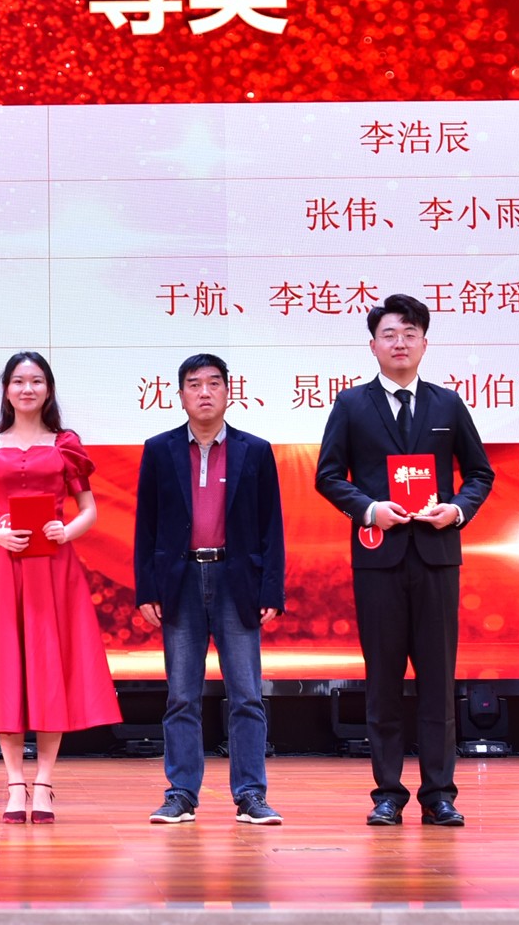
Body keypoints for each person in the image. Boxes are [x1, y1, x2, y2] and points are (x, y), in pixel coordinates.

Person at [314, 293, 494, 827]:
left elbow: (479, 473)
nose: (400, 343)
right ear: (372, 345)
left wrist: (456, 510)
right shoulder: (351, 405)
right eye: (389, 334)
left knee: (438, 682)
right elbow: (328, 476)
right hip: (378, 561)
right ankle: (388, 793)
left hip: (437, 558)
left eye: (410, 334)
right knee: (384, 681)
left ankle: (439, 794)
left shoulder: (447, 404)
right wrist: (370, 509)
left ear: (424, 344)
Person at [0, 351, 122, 823]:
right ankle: (14, 784)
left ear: (49, 389)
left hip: (53, 567)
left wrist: (68, 530)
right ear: (6, 389)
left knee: (48, 666)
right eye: (19, 381)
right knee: (7, 667)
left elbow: (88, 509)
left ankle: (43, 782)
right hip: (4, 567)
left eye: (37, 381)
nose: (28, 389)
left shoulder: (66, 445)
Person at [133, 354, 287, 826]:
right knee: (181, 695)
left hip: (236, 582)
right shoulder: (159, 450)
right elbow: (146, 526)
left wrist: (271, 591)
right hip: (179, 583)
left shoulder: (254, 450)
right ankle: (181, 793)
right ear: (179, 395)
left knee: (246, 695)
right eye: (194, 384)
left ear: (228, 392)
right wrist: (146, 588)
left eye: (214, 383)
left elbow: (271, 527)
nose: (204, 392)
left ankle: (251, 794)